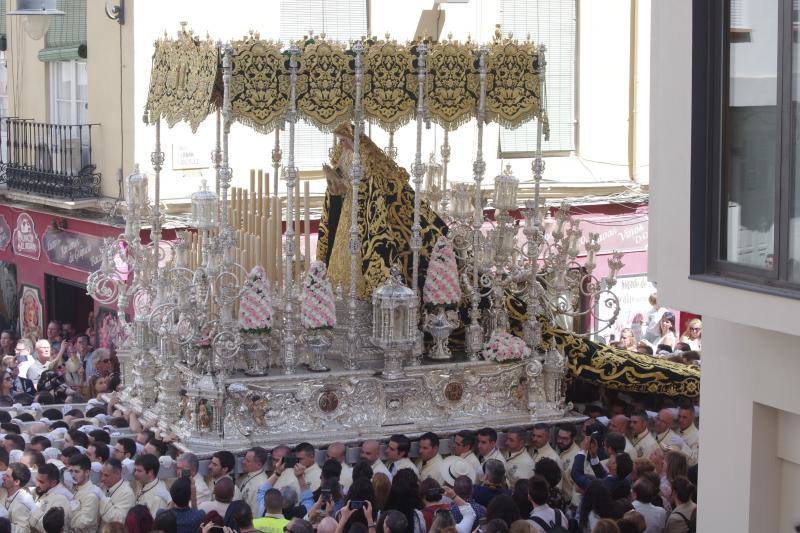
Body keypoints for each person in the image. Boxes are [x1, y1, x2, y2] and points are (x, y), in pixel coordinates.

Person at [28, 463, 72, 533]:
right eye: (37, 480)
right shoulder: (45, 490)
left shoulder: (62, 498)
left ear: (53, 483)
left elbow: (49, 527)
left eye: (41, 482)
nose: (37, 484)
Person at [68, 455, 101, 533]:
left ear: (87, 472)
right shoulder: (73, 487)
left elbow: (83, 523)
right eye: (71, 471)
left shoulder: (92, 494)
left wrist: (66, 518)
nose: (72, 475)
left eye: (76, 471)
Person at [99, 458, 136, 527]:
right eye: (101, 474)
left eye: (106, 475)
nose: (102, 478)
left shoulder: (127, 493)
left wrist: (102, 499)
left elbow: (118, 520)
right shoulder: (104, 486)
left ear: (118, 474)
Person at [0, 462, 35, 532]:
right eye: (4, 474)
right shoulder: (3, 490)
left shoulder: (23, 502)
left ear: (16, 482)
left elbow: (24, 530)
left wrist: (4, 525)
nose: (3, 477)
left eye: (7, 476)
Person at [239, 447, 269, 516]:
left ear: (258, 465)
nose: (243, 462)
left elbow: (256, 513)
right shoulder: (251, 474)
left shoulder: (261, 485)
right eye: (245, 459)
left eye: (248, 461)